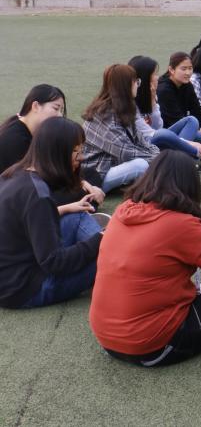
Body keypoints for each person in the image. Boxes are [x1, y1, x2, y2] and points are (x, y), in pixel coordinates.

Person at [90, 150, 201, 366]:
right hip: (153, 347)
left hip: (106, 339)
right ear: (191, 186)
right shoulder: (183, 224)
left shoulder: (122, 210)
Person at [0, 118, 103, 309]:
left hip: (10, 277)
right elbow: (54, 262)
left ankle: (112, 247)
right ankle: (118, 254)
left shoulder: (12, 174)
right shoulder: (38, 195)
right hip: (25, 289)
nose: (81, 158)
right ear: (58, 153)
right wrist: (101, 239)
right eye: (76, 151)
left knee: (76, 216)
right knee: (106, 259)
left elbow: (21, 222)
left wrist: (64, 208)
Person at [128, 55, 201, 170]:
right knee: (190, 135)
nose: (188, 72)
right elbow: (154, 133)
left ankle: (187, 156)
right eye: (154, 74)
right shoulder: (161, 90)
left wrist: (153, 103)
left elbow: (158, 126)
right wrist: (190, 144)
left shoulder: (183, 86)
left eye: (190, 68)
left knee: (194, 120)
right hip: (150, 142)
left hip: (166, 137)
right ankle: (192, 156)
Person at [81, 64, 160, 193]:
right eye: (136, 81)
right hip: (96, 175)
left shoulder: (123, 107)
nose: (138, 85)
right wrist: (160, 159)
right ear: (125, 85)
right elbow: (126, 152)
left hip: (113, 164)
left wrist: (158, 154)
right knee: (140, 165)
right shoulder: (104, 114)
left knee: (151, 159)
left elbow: (141, 141)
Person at [1, 84, 68, 173]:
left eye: (61, 110)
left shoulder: (23, 127)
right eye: (56, 108)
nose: (60, 115)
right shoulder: (16, 140)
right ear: (35, 106)